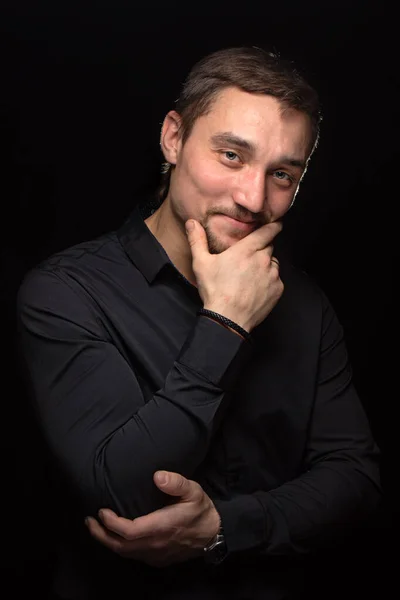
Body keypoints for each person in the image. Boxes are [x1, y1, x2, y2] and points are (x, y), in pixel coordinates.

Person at [16, 46, 382, 600]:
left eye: (282, 173)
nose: (253, 198)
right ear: (172, 138)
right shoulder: (65, 292)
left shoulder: (306, 304)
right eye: (232, 156)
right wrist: (226, 322)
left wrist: (224, 529)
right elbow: (126, 496)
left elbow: (355, 478)